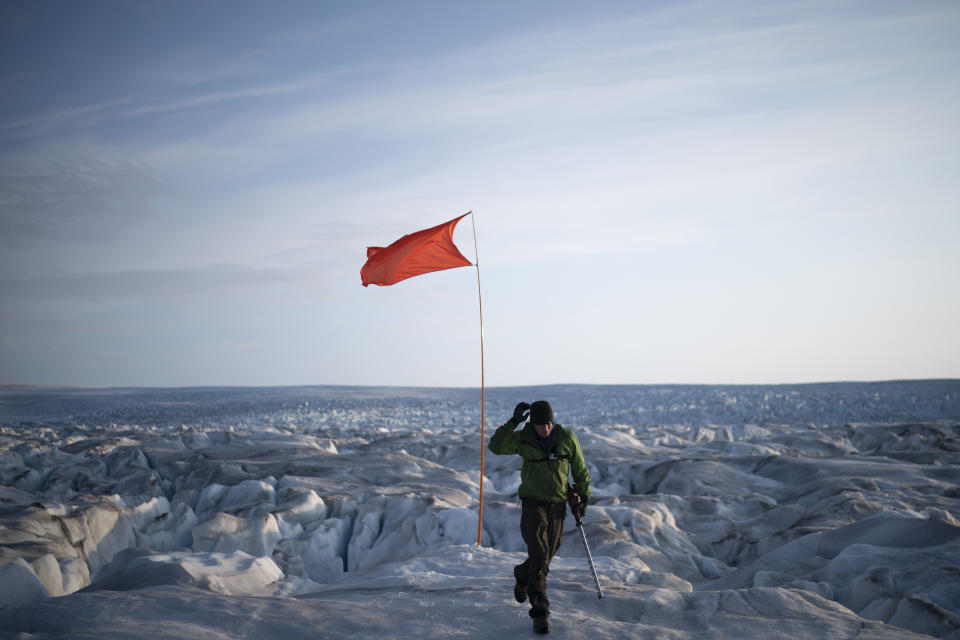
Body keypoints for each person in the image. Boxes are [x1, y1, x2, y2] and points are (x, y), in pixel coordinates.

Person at [488, 400, 591, 635]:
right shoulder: (523, 438)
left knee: (547, 555)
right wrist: (513, 422)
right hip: (533, 503)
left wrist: (583, 496)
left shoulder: (566, 438)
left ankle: (522, 574)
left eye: (547, 423)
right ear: (532, 424)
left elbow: (580, 468)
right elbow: (495, 446)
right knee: (539, 554)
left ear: (552, 421)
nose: (544, 428)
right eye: (539, 424)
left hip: (557, 503)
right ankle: (540, 615)